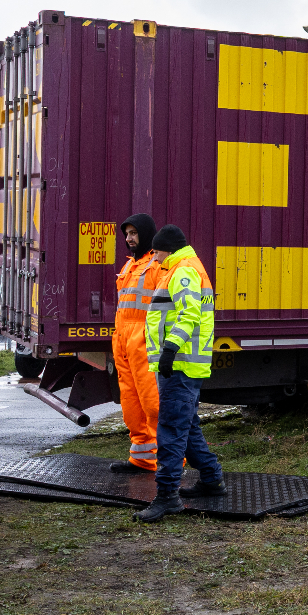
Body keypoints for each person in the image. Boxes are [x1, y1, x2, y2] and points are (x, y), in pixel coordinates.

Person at [134, 223, 224, 521]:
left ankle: (167, 497)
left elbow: (189, 313)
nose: (154, 257)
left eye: (156, 252)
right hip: (187, 363)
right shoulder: (186, 267)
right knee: (187, 426)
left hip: (180, 364)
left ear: (167, 249)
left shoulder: (182, 270)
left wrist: (170, 348)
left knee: (171, 429)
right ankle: (211, 479)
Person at [109, 214, 162, 474]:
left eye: (134, 233)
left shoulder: (157, 265)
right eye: (127, 234)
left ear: (146, 233)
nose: (129, 238)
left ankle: (168, 462)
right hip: (124, 340)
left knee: (153, 404)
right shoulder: (130, 265)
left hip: (144, 341)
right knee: (131, 404)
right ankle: (142, 458)